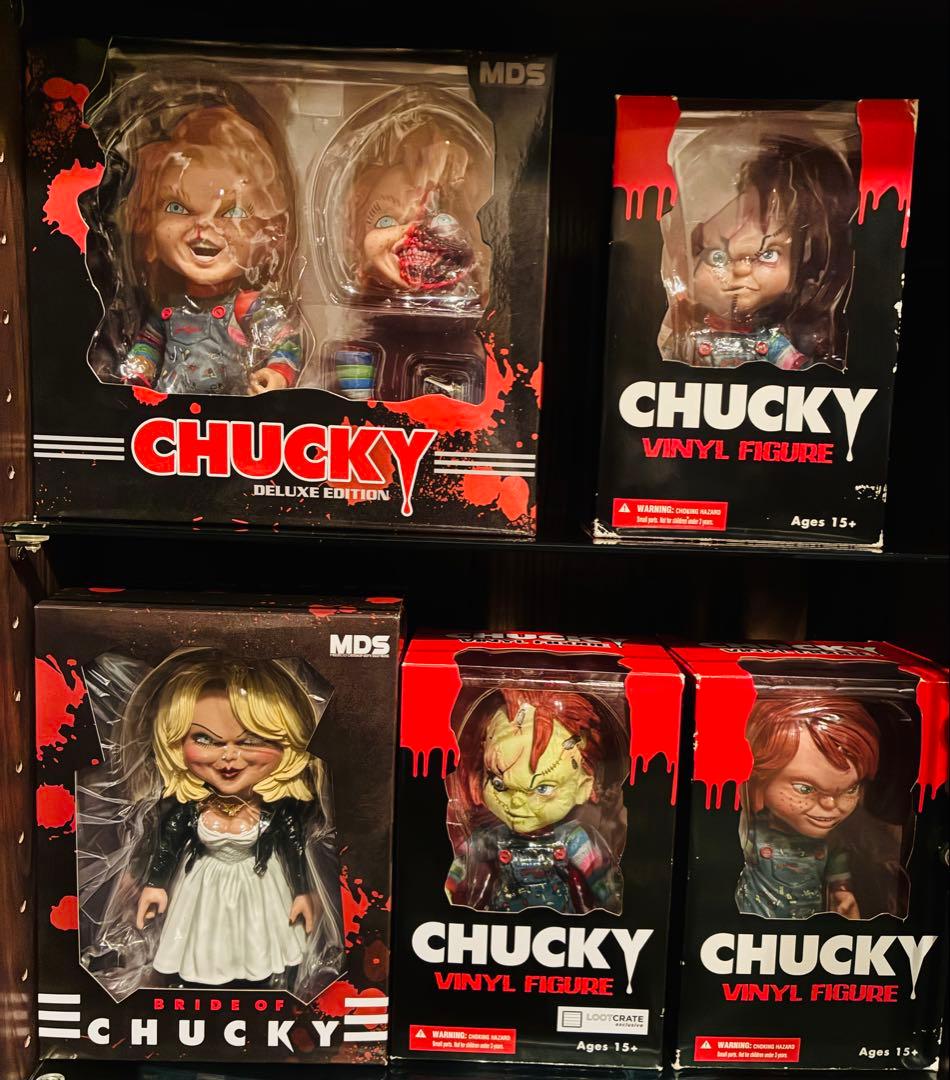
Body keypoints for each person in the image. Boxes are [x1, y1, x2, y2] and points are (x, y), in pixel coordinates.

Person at [119, 106, 301, 395]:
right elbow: (149, 345)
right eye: (178, 207)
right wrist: (139, 371)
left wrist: (277, 373)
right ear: (148, 224)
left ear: (269, 234)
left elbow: (285, 341)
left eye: (233, 212)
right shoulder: (168, 307)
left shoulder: (247, 307)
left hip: (232, 408)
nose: (203, 226)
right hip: (172, 408)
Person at [660, 127, 857, 370]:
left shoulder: (772, 339)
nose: (742, 271)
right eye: (717, 256)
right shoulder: (690, 333)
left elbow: (800, 372)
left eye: (768, 254)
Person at [445, 689, 622, 914]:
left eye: (543, 788)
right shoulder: (490, 839)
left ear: (583, 786)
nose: (517, 802)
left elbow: (604, 882)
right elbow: (458, 871)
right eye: (499, 784)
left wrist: (613, 908)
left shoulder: (573, 840)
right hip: (500, 924)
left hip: (562, 926)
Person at [736, 696, 880, 919]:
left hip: (811, 928)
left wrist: (842, 895)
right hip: (754, 925)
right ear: (759, 780)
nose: (830, 805)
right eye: (805, 788)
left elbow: (838, 879)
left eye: (850, 789)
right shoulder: (752, 832)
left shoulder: (833, 843)